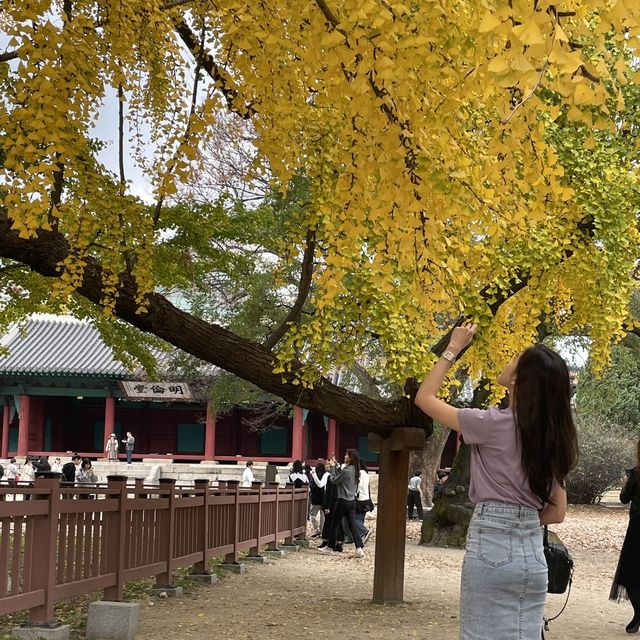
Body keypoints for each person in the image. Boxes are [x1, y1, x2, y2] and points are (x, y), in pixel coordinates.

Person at [415, 323, 578, 640]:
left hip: (491, 548)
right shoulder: (552, 437)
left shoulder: (490, 423)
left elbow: (425, 397)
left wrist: (453, 347)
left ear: (519, 379)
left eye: (515, 359)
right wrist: (523, 521)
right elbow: (558, 511)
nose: (509, 362)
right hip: (532, 559)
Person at [610, 440, 640, 634]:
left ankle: (638, 613)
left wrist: (624, 485)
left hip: (637, 527)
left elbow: (624, 499)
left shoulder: (637, 474)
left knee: (630, 573)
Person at [320, 449, 365, 558]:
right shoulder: (355, 470)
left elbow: (334, 480)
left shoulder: (347, 470)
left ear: (350, 458)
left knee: (335, 524)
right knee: (352, 525)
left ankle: (330, 547)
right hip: (352, 501)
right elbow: (341, 475)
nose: (345, 456)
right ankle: (359, 548)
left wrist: (332, 469)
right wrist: (335, 467)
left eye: (346, 455)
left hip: (342, 500)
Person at [309, 461, 329, 537]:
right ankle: (322, 531)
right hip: (323, 498)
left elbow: (312, 486)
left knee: (312, 514)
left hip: (315, 498)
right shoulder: (325, 476)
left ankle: (316, 529)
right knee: (322, 515)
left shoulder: (315, 476)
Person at [355, 460, 372, 544]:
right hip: (366, 499)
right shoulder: (366, 473)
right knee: (360, 518)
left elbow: (360, 485)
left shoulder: (361, 473)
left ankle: (364, 531)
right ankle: (361, 535)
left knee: (354, 519)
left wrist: (355, 492)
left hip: (360, 498)